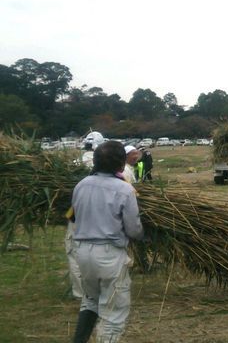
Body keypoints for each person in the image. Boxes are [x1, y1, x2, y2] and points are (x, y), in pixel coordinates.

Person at [71, 140, 144, 343]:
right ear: (121, 163)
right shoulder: (124, 189)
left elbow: (74, 216)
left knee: (90, 301)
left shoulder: (81, 185)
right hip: (109, 254)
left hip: (83, 252)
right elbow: (133, 228)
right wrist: (142, 236)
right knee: (114, 312)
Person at [66, 135, 104, 300]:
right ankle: (101, 287)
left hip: (77, 214)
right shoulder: (108, 165)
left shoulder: (74, 165)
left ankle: (82, 293)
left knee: (75, 252)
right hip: (104, 215)